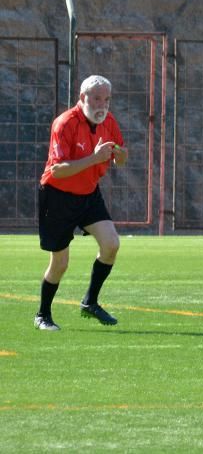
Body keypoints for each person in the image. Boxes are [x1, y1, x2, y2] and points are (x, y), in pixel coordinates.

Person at [35, 75, 128, 330]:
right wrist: (94, 158)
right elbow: (57, 171)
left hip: (88, 194)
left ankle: (90, 302)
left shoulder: (108, 121)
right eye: (97, 98)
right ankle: (42, 315)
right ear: (82, 97)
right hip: (57, 197)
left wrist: (119, 155)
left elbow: (121, 158)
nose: (102, 104)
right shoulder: (64, 123)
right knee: (60, 263)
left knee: (111, 245)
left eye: (107, 99)